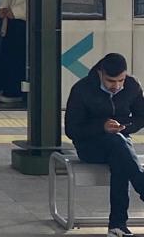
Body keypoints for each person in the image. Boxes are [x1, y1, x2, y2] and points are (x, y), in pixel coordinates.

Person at [65, 53, 144, 237]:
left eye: (121, 80)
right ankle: (140, 188)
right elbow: (72, 129)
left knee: (120, 158)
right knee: (119, 148)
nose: (116, 86)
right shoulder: (82, 89)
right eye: (110, 81)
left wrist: (126, 127)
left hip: (120, 143)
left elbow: (141, 116)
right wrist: (101, 127)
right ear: (100, 73)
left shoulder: (132, 86)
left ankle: (117, 227)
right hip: (89, 146)